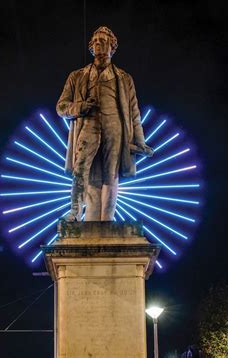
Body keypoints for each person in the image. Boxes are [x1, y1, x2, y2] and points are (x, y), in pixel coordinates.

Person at [57, 26, 152, 221]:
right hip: (88, 126)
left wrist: (139, 141)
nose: (99, 44)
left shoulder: (124, 79)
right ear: (91, 47)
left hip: (115, 127)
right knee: (81, 169)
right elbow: (61, 107)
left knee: (110, 174)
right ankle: (75, 212)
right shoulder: (77, 76)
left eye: (103, 41)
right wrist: (80, 107)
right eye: (95, 41)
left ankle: (106, 221)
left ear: (112, 47)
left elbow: (134, 112)